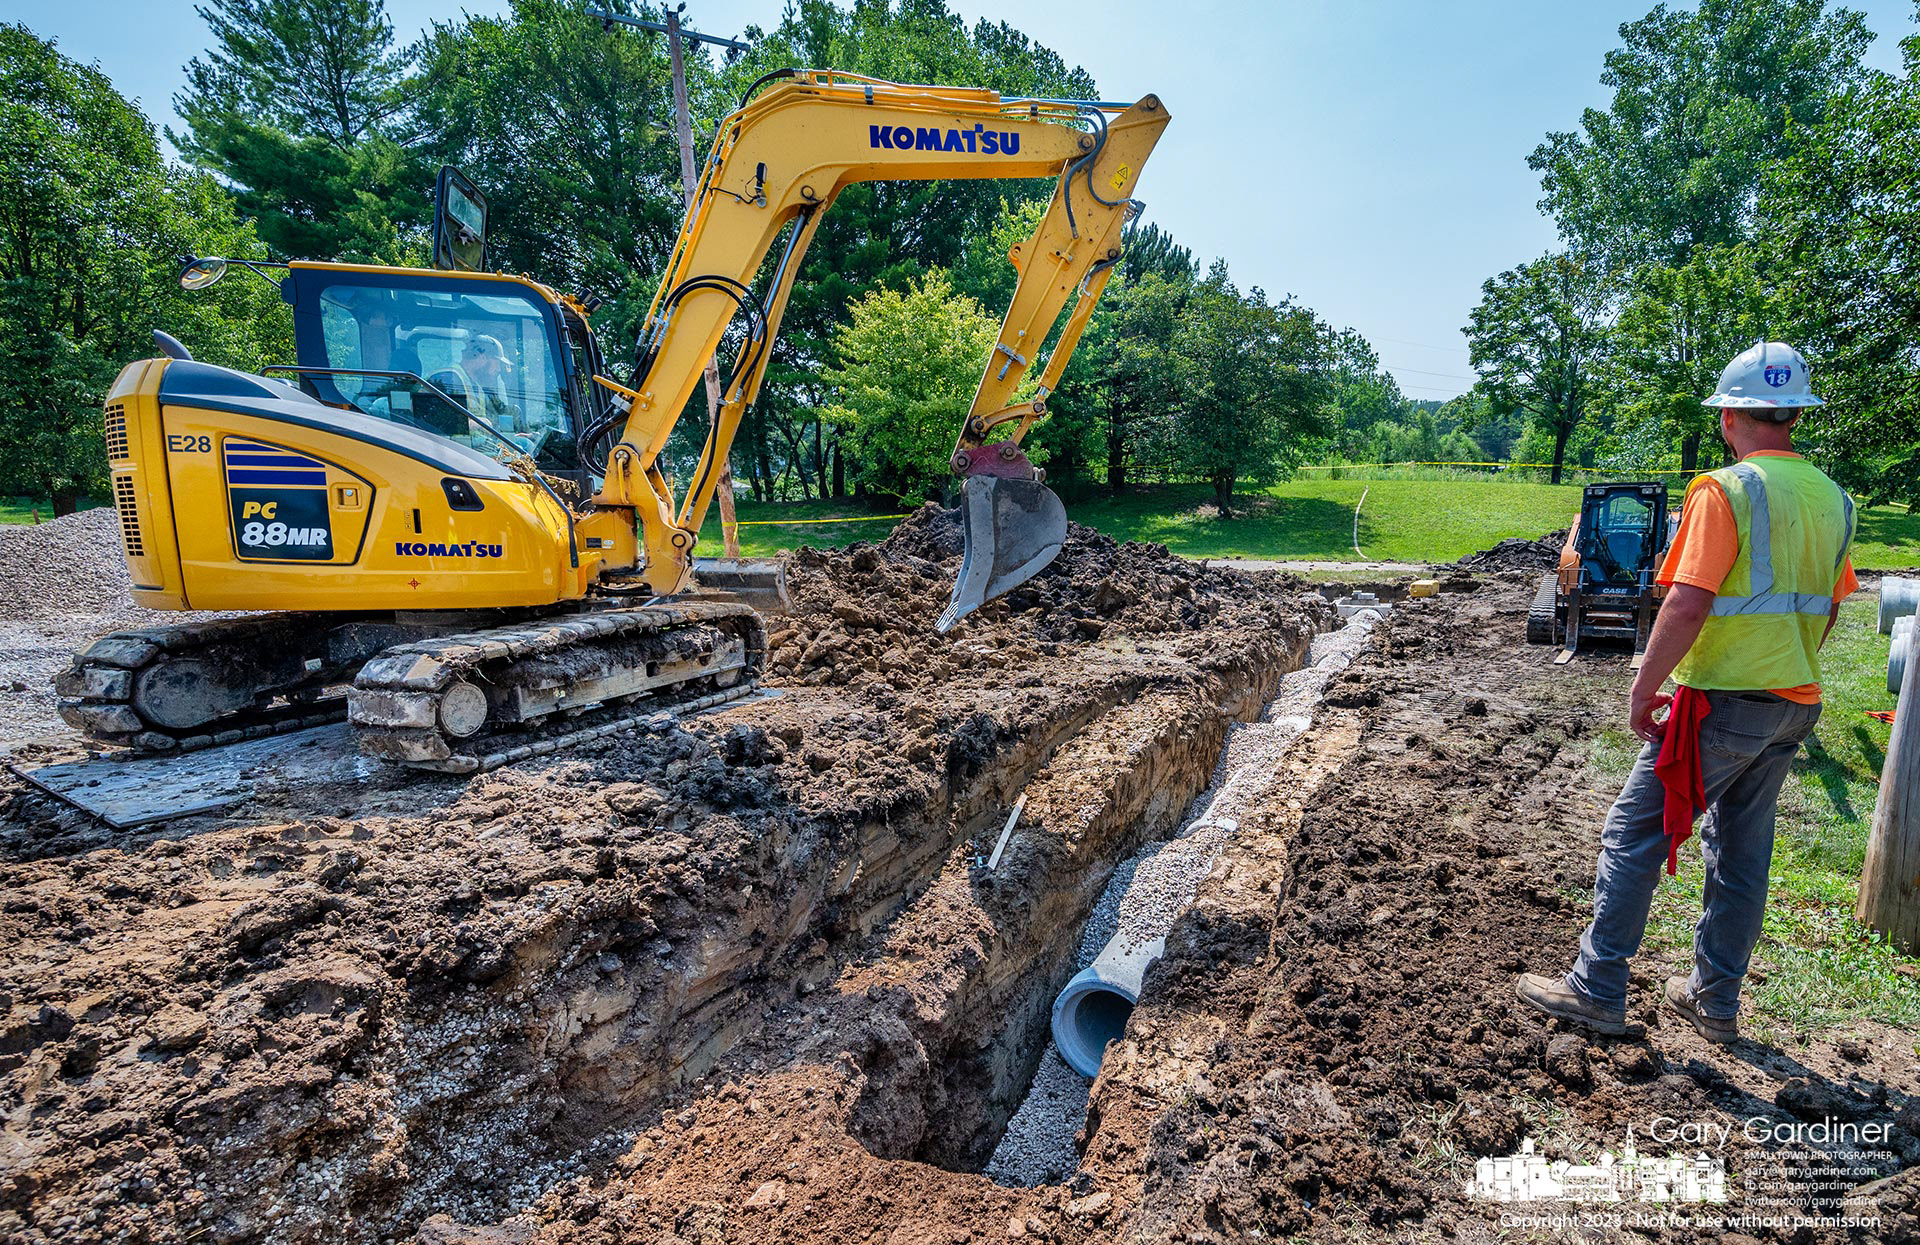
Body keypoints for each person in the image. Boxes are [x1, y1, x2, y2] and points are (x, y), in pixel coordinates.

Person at [1516, 341, 1858, 1043]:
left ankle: (1598, 987)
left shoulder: (1725, 490)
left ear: (1731, 415)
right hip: (1792, 703)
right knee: (1742, 851)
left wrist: (1645, 686)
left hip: (1722, 701)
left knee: (1634, 832)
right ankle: (1715, 1000)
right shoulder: (1835, 498)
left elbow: (1685, 603)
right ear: (1793, 413)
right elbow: (1826, 607)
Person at [425, 334, 518, 437]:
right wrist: (476, 424)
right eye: (497, 363)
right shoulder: (447, 379)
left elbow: (491, 418)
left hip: (475, 446)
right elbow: (434, 423)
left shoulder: (476, 385)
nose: (499, 369)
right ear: (482, 357)